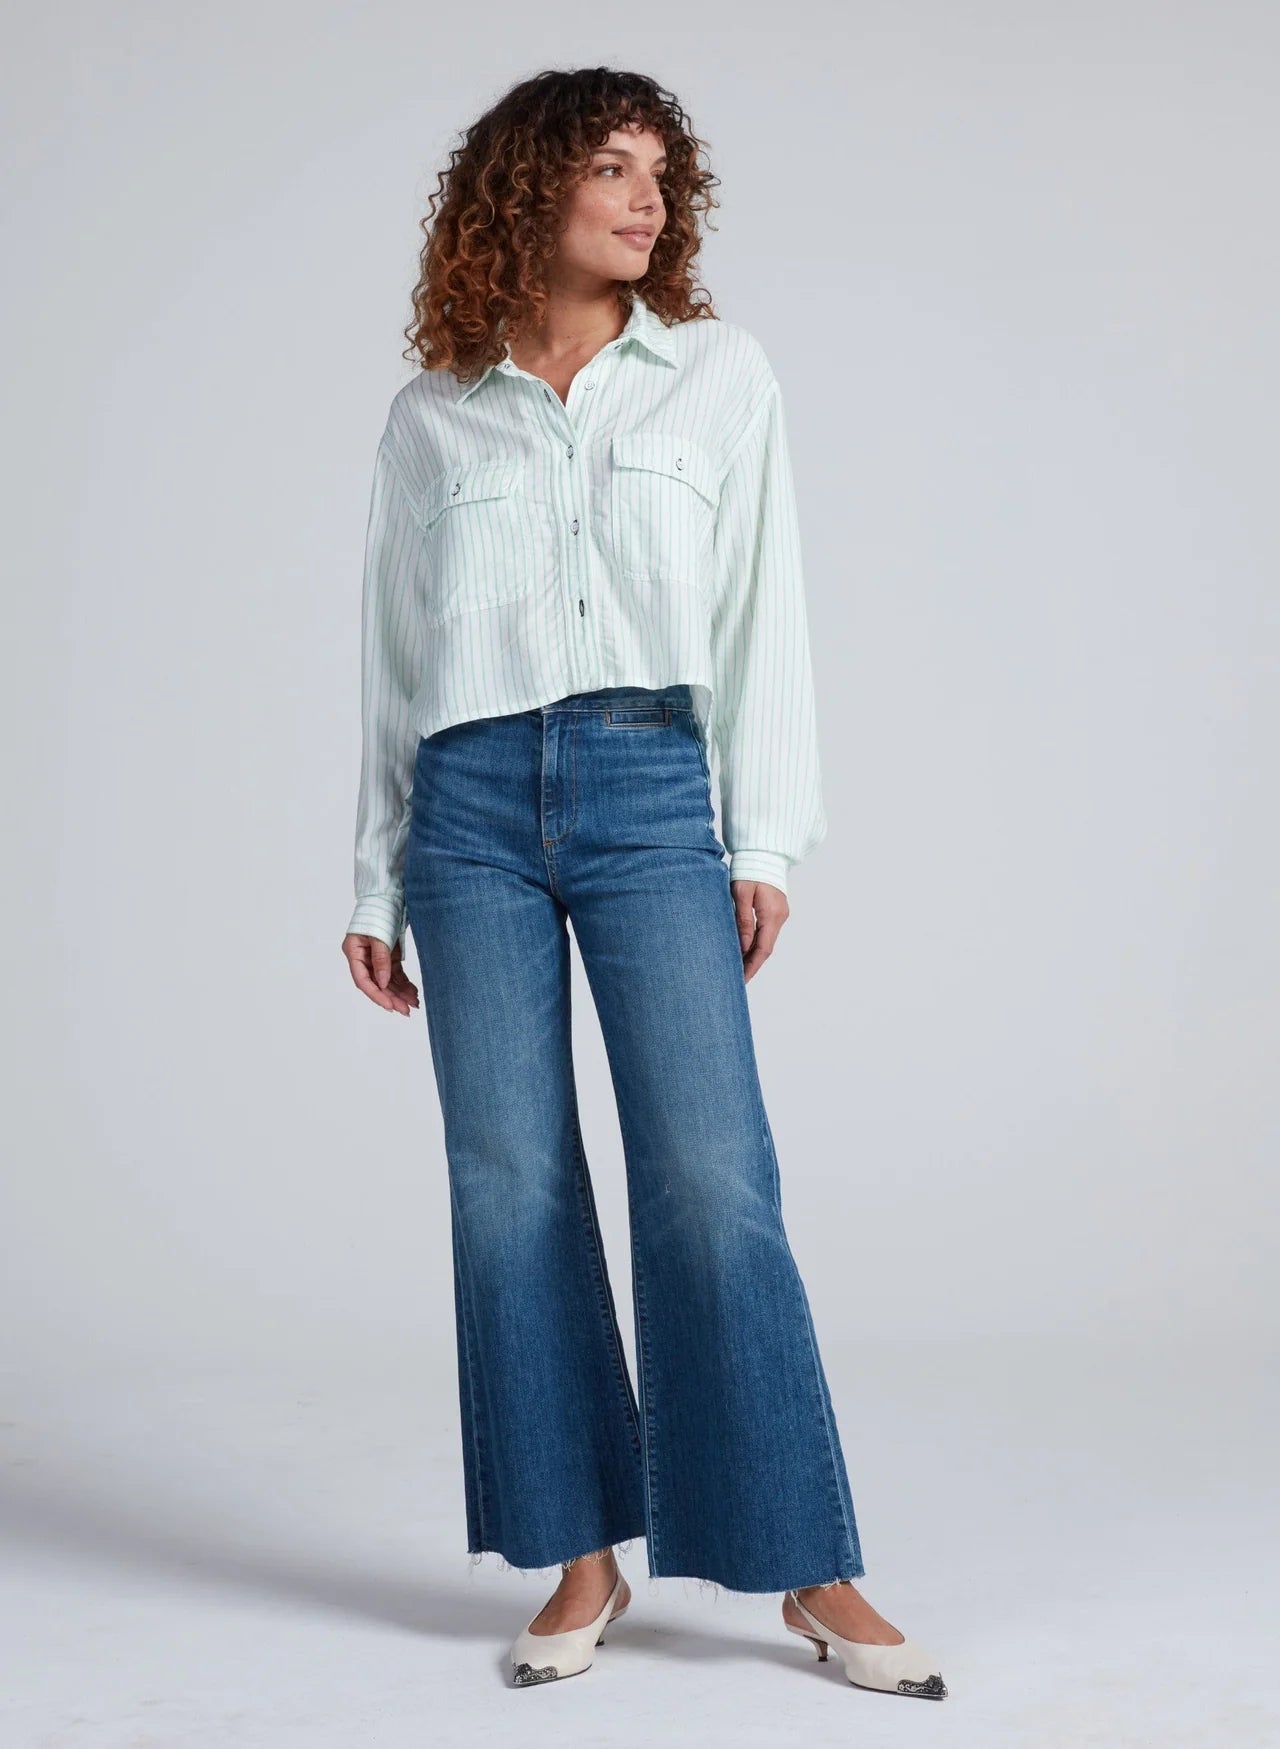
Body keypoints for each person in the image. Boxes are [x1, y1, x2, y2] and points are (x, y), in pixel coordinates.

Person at [340, 66, 948, 1700]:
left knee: (710, 1173)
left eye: (662, 176)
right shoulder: (434, 411)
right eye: (614, 168)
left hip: (647, 787)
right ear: (526, 186)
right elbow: (395, 661)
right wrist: (375, 880)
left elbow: (764, 612)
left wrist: (763, 841)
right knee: (508, 1183)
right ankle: (579, 1555)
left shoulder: (717, 378)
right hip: (466, 809)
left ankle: (809, 1562)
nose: (649, 199)